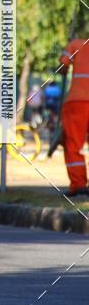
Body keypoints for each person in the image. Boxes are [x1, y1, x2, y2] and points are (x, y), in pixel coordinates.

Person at [59, 37, 89, 197]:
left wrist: (66, 50)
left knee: (73, 144)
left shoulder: (77, 44)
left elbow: (62, 68)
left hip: (77, 101)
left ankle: (78, 185)